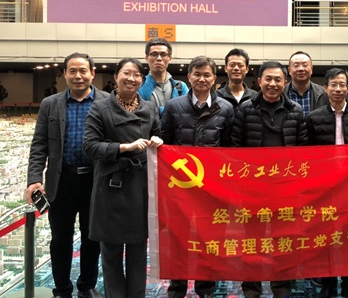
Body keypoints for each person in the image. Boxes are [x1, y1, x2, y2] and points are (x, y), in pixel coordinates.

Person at [26, 52, 108, 298]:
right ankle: (62, 289)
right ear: (64, 74)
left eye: (83, 70)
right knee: (60, 239)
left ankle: (87, 286)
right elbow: (39, 145)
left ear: (92, 73)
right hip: (61, 181)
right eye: (72, 71)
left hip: (95, 181)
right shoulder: (50, 104)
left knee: (92, 238)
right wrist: (34, 179)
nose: (78, 76)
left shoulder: (107, 101)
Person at [83, 58, 162, 298]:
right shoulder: (100, 108)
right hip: (111, 186)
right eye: (126, 73)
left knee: (138, 253)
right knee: (111, 255)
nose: (131, 78)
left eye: (137, 75)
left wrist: (158, 141)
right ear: (116, 76)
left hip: (140, 187)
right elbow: (89, 146)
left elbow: (158, 135)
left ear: (142, 80)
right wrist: (123, 147)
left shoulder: (149, 108)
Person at [232, 61, 308, 298]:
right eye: (268, 79)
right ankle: (251, 288)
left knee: (284, 239)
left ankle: (281, 287)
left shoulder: (296, 110)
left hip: (285, 188)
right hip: (252, 187)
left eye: (278, 80)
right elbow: (235, 146)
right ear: (259, 82)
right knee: (251, 240)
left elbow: (304, 149)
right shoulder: (245, 109)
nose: (273, 84)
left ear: (285, 83)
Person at [161, 56, 235, 298]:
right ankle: (177, 288)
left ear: (214, 78)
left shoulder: (226, 108)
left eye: (207, 75)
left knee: (210, 238)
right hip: (180, 187)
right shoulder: (173, 107)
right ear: (189, 76)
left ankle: (206, 288)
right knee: (178, 238)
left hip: (211, 189)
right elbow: (165, 144)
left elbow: (229, 150)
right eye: (197, 74)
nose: (201, 79)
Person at [305, 68, 348, 298]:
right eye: (333, 84)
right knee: (324, 237)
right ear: (325, 88)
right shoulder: (313, 118)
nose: (338, 89)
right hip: (324, 189)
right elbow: (307, 156)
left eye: (342, 84)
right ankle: (328, 283)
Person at [138, 37, 189, 116]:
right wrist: (173, 110)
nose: (159, 58)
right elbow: (139, 112)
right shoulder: (139, 86)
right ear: (146, 58)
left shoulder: (181, 87)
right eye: (154, 54)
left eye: (163, 54)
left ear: (170, 58)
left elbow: (188, 111)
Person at [284, 51, 327, 116]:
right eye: (296, 65)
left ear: (311, 69)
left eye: (305, 65)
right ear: (289, 70)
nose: (301, 69)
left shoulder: (324, 93)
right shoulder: (281, 93)